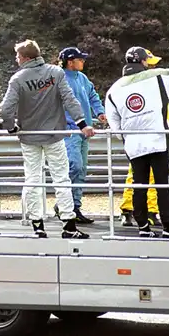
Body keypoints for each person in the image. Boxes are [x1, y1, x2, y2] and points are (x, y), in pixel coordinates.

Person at [105, 32, 169, 239]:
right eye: (148, 61)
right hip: (157, 142)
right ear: (143, 62)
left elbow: (114, 124)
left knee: (139, 186)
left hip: (134, 146)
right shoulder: (158, 79)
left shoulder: (113, 90)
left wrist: (127, 139)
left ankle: (143, 227)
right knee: (162, 186)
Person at [0, 40, 95, 239]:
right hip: (55, 135)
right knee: (62, 178)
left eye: (17, 56)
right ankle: (68, 224)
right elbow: (70, 100)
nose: (16, 59)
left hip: (29, 136)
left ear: (25, 58)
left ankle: (38, 225)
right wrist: (82, 124)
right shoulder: (56, 73)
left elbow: (5, 109)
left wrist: (12, 128)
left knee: (33, 180)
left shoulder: (18, 79)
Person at [59, 47, 106, 225]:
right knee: (75, 166)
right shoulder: (60, 78)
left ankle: (75, 206)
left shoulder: (82, 78)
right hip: (69, 130)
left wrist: (99, 111)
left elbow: (93, 95)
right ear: (70, 61)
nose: (83, 62)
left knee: (82, 169)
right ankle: (64, 204)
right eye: (80, 59)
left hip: (85, 130)